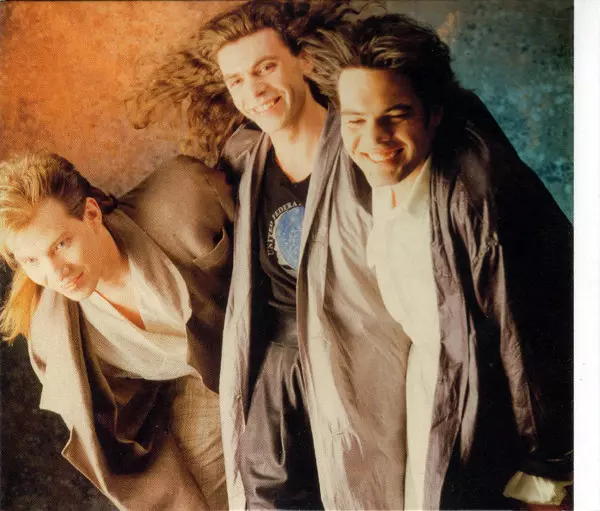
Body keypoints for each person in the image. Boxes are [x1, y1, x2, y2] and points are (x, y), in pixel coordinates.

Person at [325, 13, 573, 510]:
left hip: (498, 423)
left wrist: (547, 476)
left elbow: (532, 345)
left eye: (395, 116)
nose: (373, 138)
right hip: (437, 398)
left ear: (434, 113)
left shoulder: (480, 201)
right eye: (356, 121)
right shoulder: (373, 170)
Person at [0, 152, 233, 510]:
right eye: (32, 260)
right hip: (202, 381)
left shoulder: (184, 199)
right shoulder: (54, 338)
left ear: (92, 214)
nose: (56, 273)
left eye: (61, 244)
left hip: (273, 346)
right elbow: (111, 427)